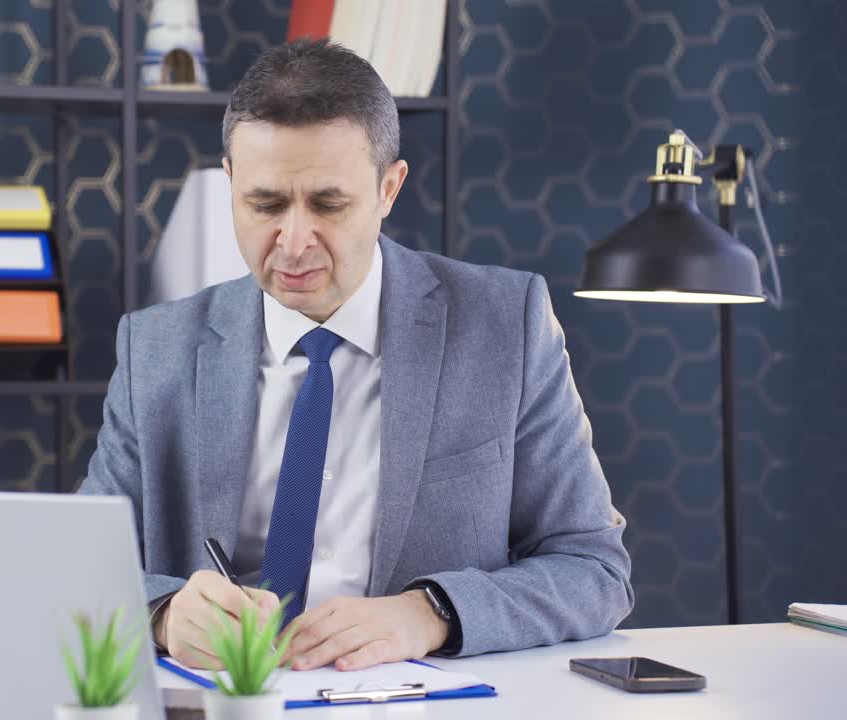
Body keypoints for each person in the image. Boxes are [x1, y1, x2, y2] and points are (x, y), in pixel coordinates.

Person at [78, 38, 633, 672]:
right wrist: (164, 612)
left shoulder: (506, 325)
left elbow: (594, 569)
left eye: (328, 204)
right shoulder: (155, 349)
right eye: (264, 204)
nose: (292, 243)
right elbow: (79, 573)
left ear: (388, 189)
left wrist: (430, 613)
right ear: (229, 182)